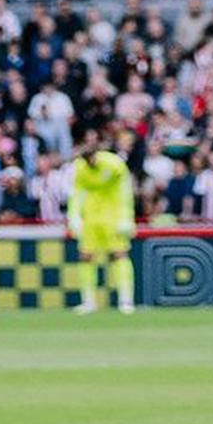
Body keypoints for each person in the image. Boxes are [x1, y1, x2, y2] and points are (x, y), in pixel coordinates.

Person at [67, 129, 135, 315]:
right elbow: (77, 194)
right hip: (90, 219)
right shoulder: (80, 167)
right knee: (86, 257)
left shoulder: (114, 164)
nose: (89, 162)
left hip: (113, 217)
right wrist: (74, 217)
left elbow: (125, 191)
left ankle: (126, 300)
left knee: (119, 255)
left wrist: (126, 217)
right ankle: (88, 301)